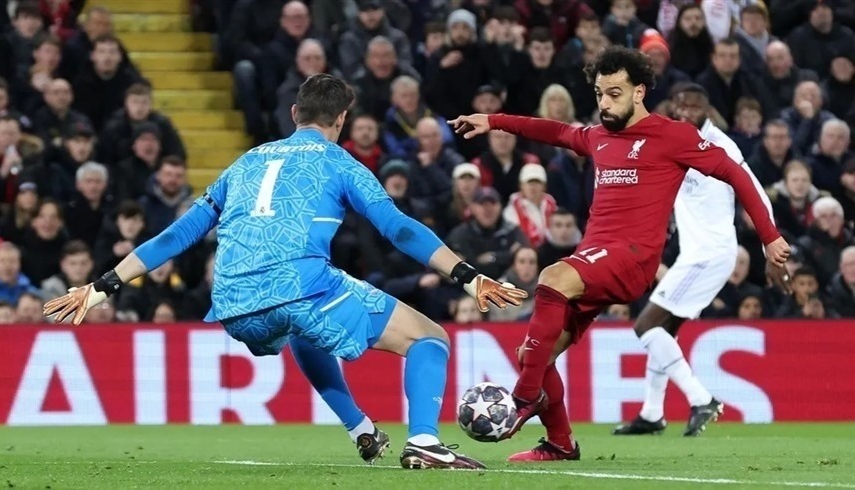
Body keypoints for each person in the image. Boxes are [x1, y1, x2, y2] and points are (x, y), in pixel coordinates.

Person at [44, 74, 526, 470]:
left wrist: (102, 286)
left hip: (232, 303)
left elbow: (178, 234)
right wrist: (467, 275)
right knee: (429, 338)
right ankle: (424, 441)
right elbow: (397, 229)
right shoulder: (340, 162)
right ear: (341, 119)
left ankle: (360, 428)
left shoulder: (245, 162)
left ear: (295, 113)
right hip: (299, 286)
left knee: (304, 330)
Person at [448, 46, 790, 462]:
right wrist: (493, 121)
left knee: (552, 277)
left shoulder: (674, 135)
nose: (605, 103)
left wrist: (769, 237)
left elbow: (736, 173)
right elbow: (553, 131)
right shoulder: (598, 137)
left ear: (639, 92)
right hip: (596, 257)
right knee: (534, 355)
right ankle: (560, 442)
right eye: (599, 94)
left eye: (614, 93)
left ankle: (523, 399)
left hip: (633, 258)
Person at [611, 83, 784, 438]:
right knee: (664, 330)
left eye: (695, 106)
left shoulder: (720, 145)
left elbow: (754, 191)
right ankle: (652, 412)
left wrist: (770, 244)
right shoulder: (675, 140)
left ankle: (701, 399)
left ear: (707, 109)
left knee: (646, 325)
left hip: (711, 254)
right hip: (694, 255)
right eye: (683, 105)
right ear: (674, 107)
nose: (688, 111)